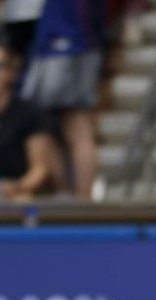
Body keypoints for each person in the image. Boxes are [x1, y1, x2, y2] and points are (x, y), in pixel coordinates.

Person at [20, 0, 103, 200]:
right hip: (62, 39)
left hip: (67, 41)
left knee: (74, 122)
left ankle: (82, 198)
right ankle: (67, 193)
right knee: (45, 122)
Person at [0, 40, 49, 200]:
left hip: (14, 190)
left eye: (1, 65)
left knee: (24, 200)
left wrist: (17, 187)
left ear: (12, 72)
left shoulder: (27, 112)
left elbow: (39, 168)